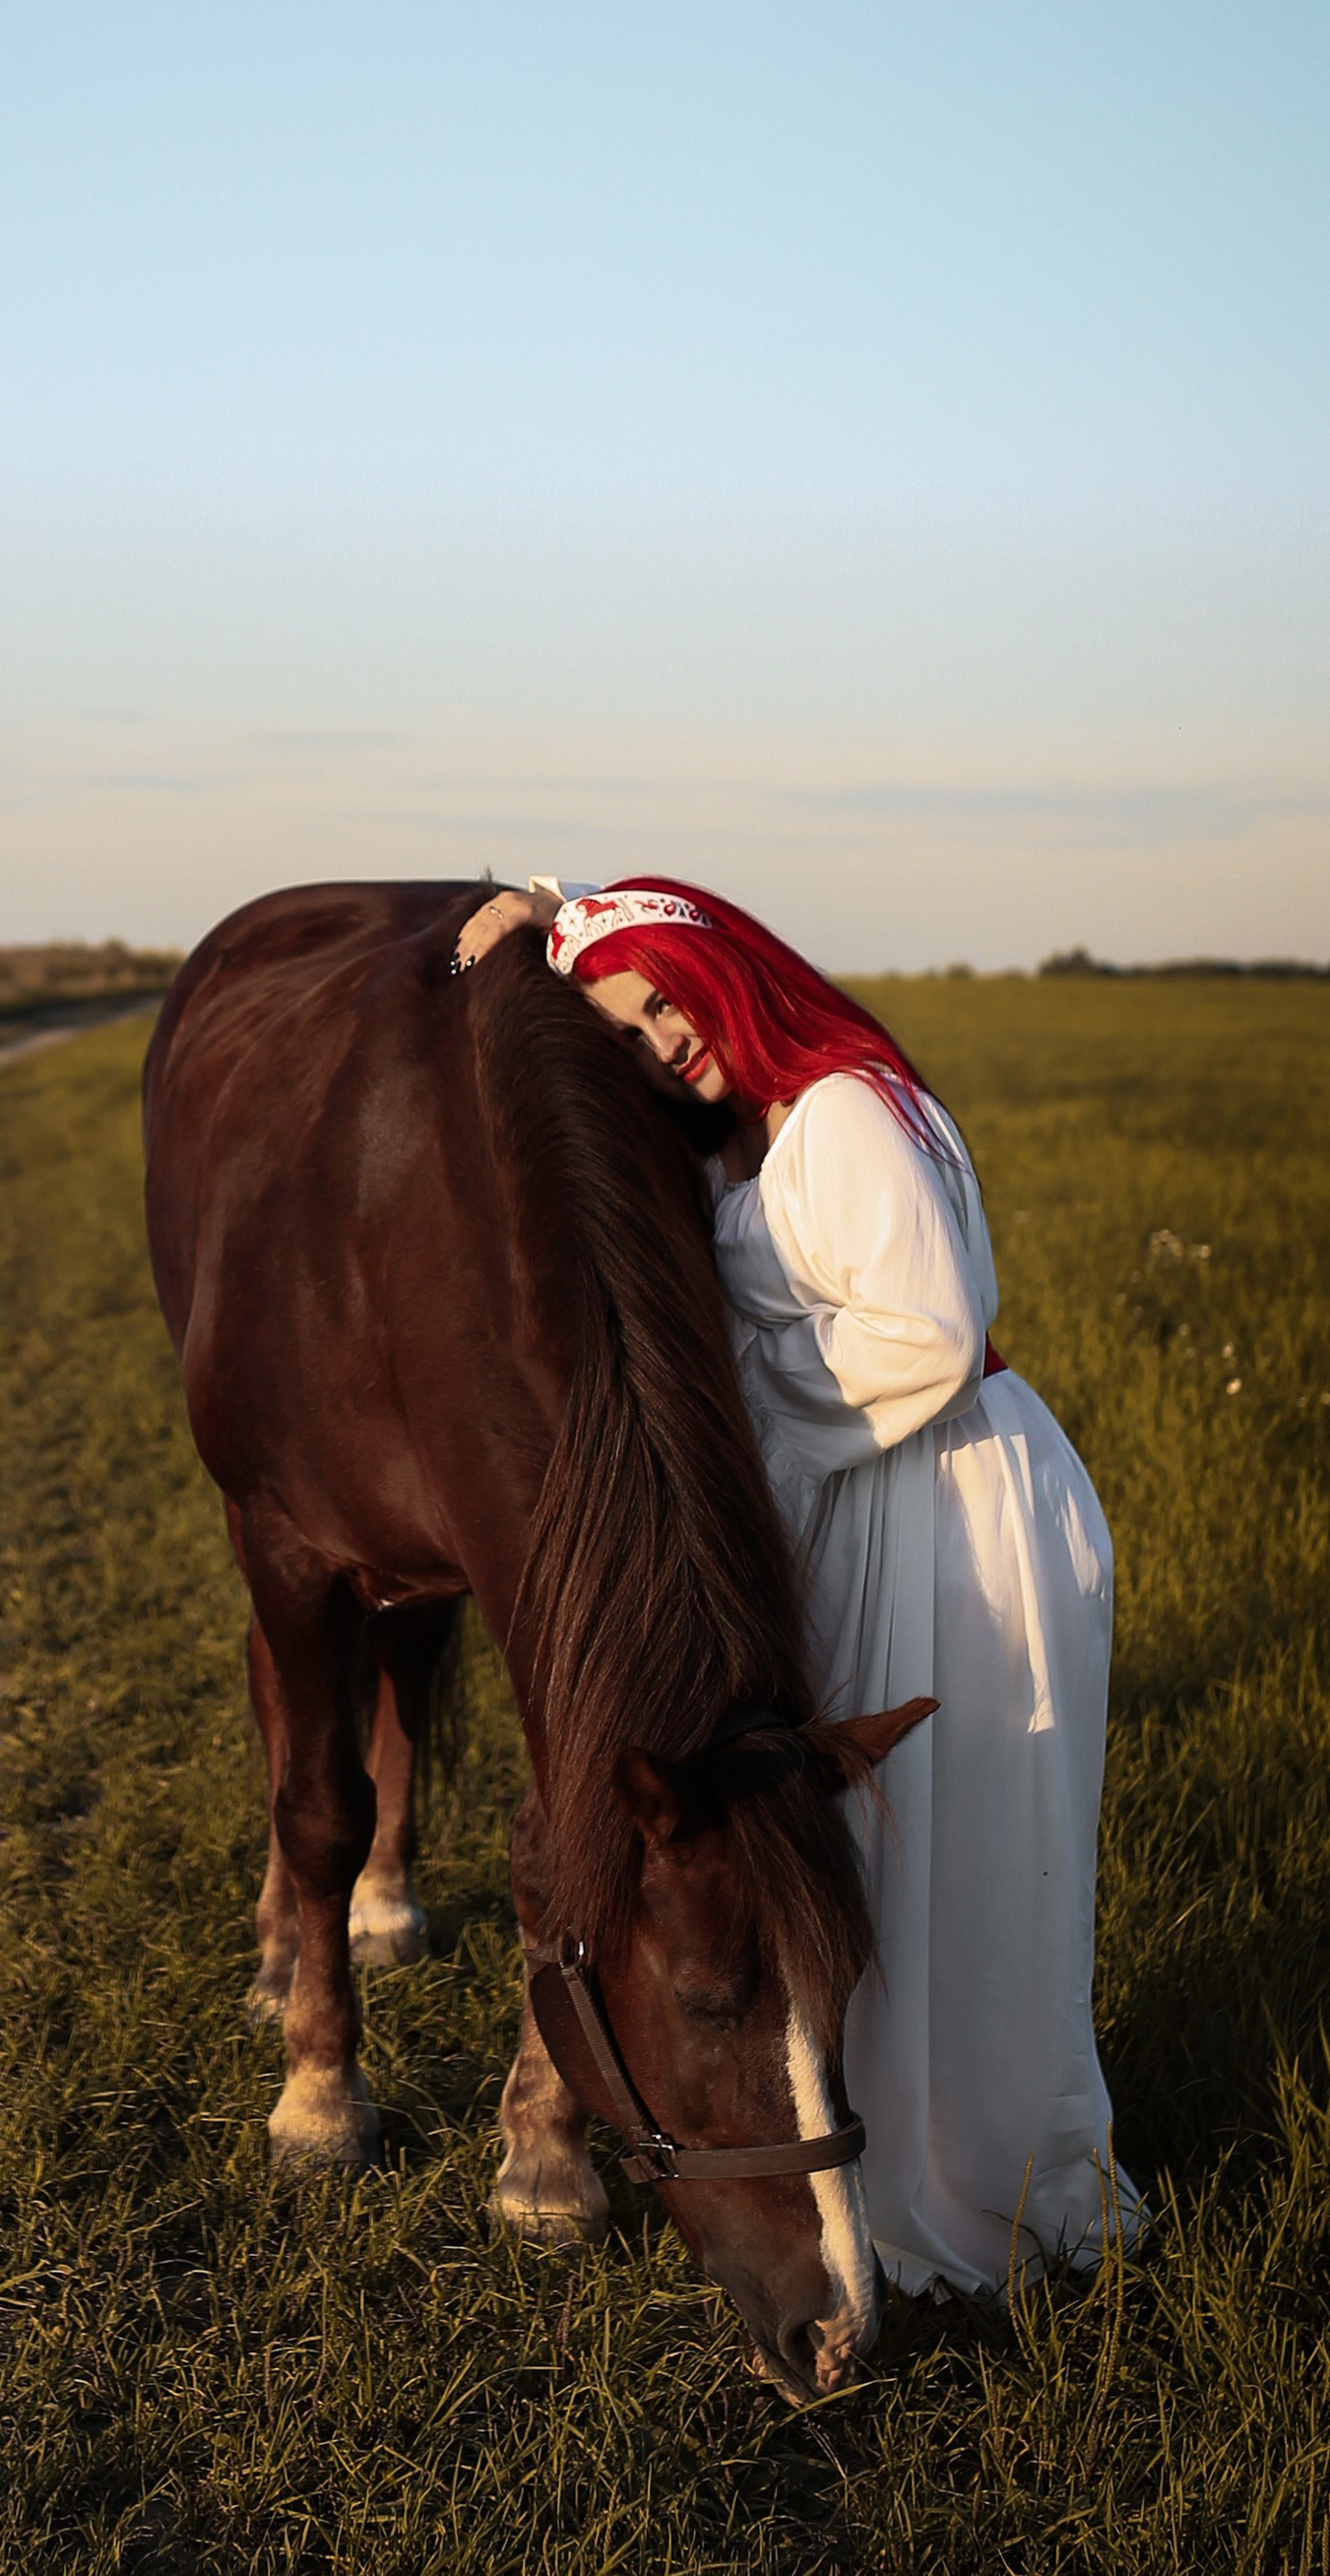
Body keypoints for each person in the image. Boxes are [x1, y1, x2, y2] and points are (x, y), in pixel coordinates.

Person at [456, 872, 1138, 2297]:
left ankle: (1003, 2188)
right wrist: (542, 906)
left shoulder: (844, 1112)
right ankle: (889, 2175)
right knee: (896, 1857)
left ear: (731, 970)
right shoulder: (762, 1130)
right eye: (626, 1030)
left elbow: (934, 1337)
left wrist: (747, 1392)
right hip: (881, 1489)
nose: (659, 1044)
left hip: (955, 1493)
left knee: (975, 1856)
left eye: (664, 1001)